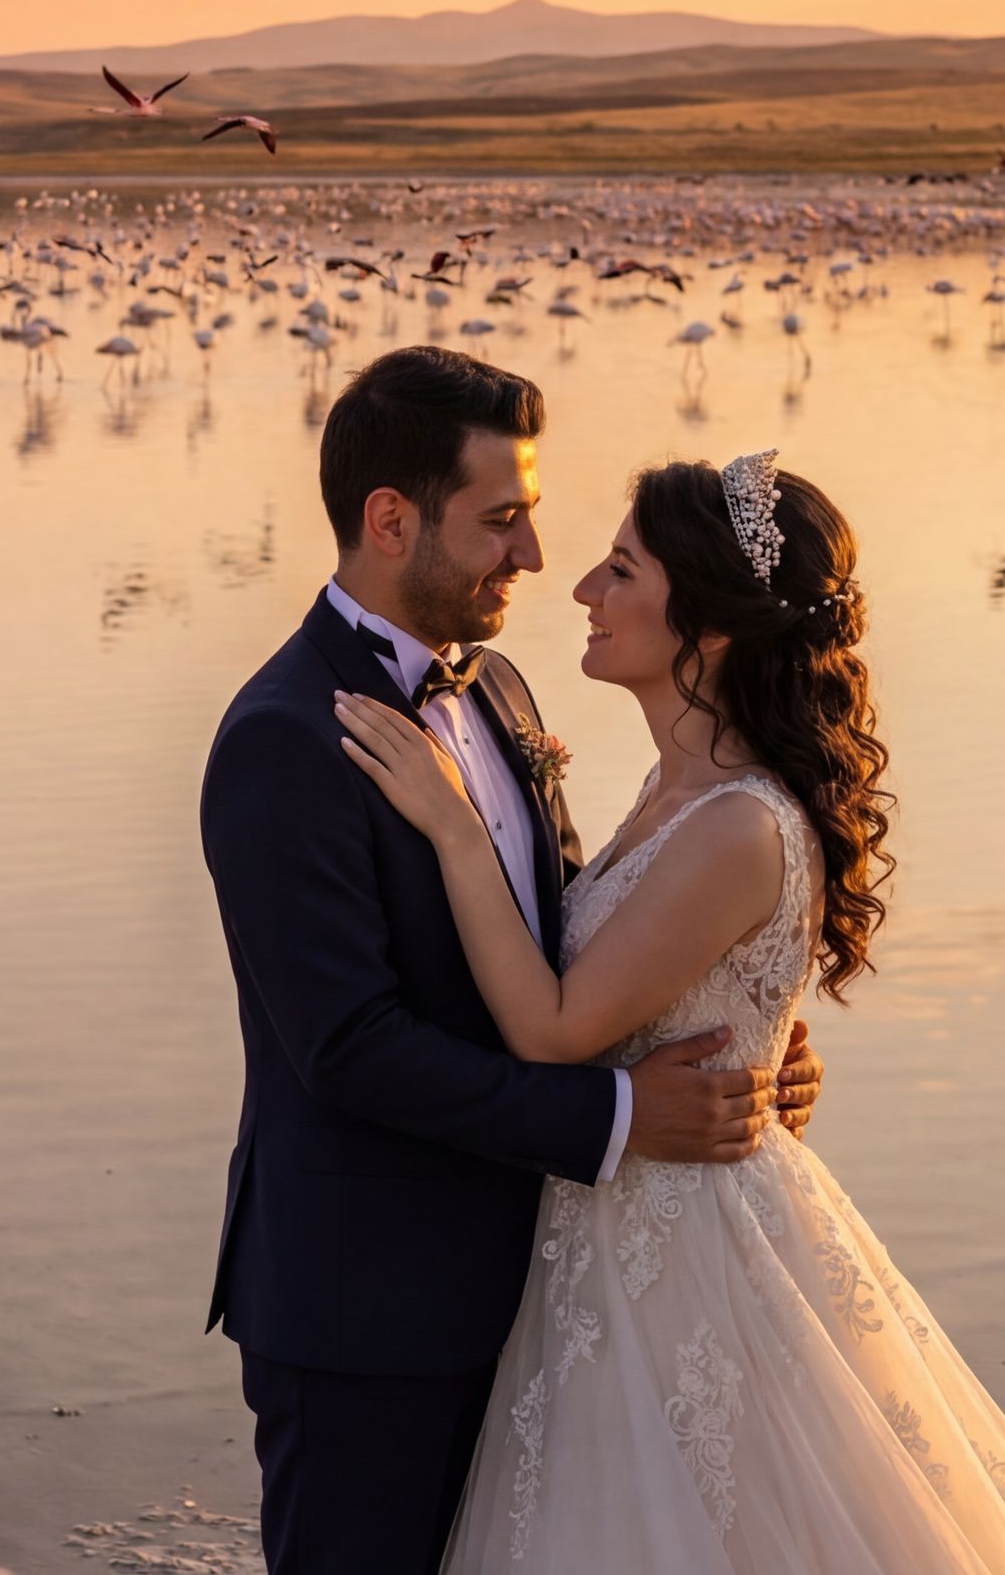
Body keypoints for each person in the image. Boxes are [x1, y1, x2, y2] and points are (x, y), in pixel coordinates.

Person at [335, 449, 1005, 1572]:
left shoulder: (736, 825)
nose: (581, 593)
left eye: (618, 571)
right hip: (618, 1229)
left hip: (684, 1244)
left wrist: (456, 829)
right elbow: (685, 987)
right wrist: (771, 1044)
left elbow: (556, 1029)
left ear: (704, 624)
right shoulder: (676, 791)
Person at [198, 348, 821, 1575]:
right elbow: (349, 1051)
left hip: (546, 1293)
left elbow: (576, 936)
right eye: (501, 520)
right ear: (391, 520)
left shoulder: (505, 697)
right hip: (364, 1307)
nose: (536, 555)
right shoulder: (282, 740)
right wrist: (626, 1113)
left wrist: (746, 1037)